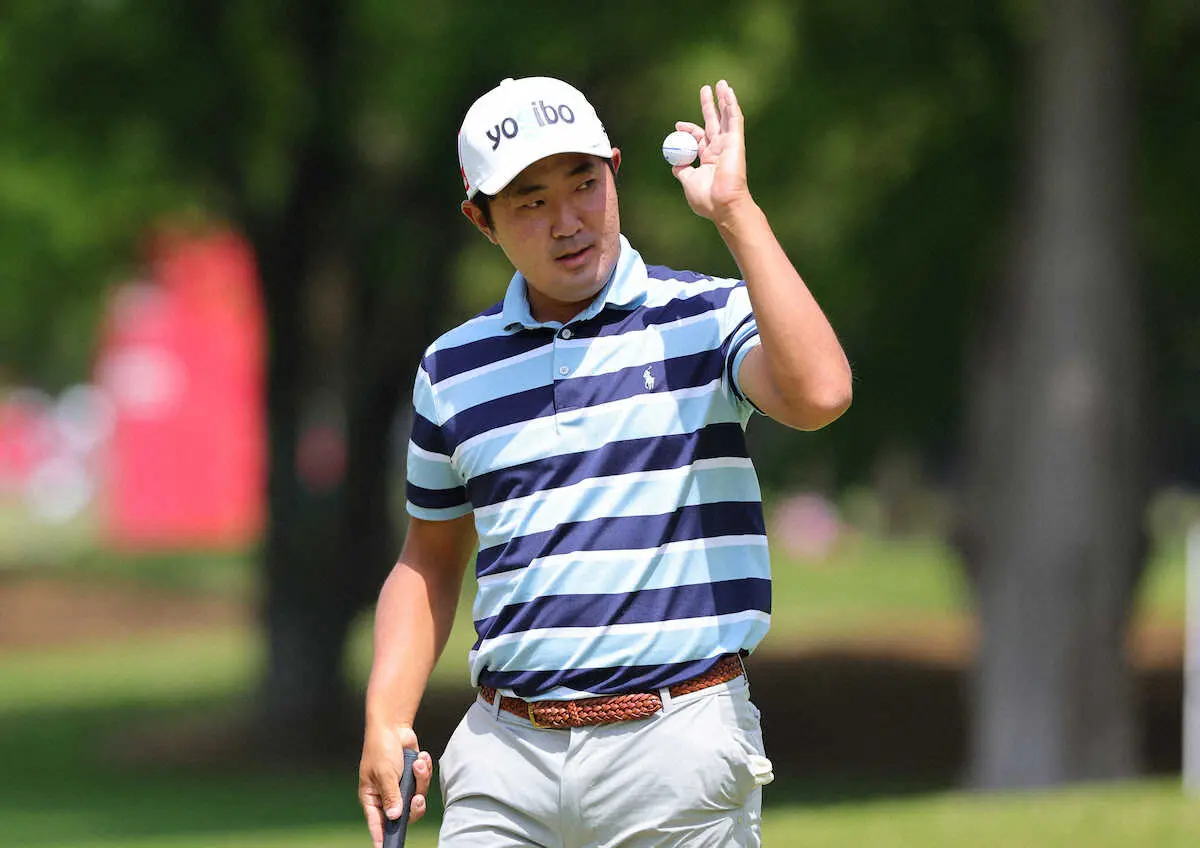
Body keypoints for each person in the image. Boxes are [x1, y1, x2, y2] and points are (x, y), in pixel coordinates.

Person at [358, 75, 852, 847]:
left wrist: (736, 212)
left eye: (584, 184)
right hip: (504, 755)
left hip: (675, 742)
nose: (568, 222)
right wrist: (386, 716)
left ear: (615, 171)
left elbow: (820, 393)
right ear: (482, 220)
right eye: (531, 201)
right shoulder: (451, 371)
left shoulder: (703, 316)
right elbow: (429, 556)